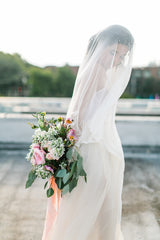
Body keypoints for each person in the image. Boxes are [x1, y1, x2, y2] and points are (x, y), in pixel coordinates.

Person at [42, 24, 135, 240]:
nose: (118, 60)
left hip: (100, 147)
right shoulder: (95, 71)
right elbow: (79, 117)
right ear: (100, 47)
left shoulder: (99, 71)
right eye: (114, 52)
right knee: (92, 208)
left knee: (97, 207)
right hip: (93, 152)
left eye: (122, 56)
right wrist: (68, 148)